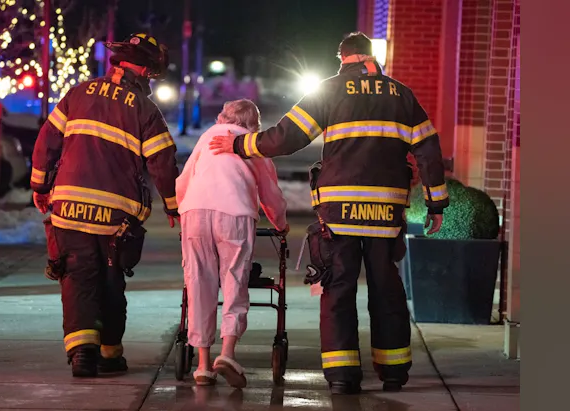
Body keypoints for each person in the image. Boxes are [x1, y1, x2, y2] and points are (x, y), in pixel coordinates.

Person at [209, 32, 449, 394]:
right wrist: (436, 203)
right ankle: (394, 371)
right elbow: (428, 150)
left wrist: (240, 144)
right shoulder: (402, 94)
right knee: (387, 290)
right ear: (371, 57)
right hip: (386, 211)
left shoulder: (329, 89)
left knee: (338, 290)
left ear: (343, 58)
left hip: (339, 212)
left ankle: (342, 376)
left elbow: (287, 137)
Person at [31, 33, 181, 378]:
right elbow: (162, 162)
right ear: (144, 69)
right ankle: (110, 354)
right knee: (112, 281)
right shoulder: (145, 109)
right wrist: (173, 206)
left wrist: (40, 185)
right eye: (152, 74)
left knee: (77, 277)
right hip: (117, 217)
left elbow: (46, 142)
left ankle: (82, 354)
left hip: (68, 208)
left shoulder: (78, 93)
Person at [176, 99, 289, 388]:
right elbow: (269, 191)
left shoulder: (206, 138)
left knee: (199, 283)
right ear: (254, 125)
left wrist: (181, 209)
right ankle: (226, 354)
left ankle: (202, 365)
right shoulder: (253, 144)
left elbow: (184, 180)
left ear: (220, 117)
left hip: (195, 212)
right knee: (234, 280)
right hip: (234, 213)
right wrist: (280, 223)